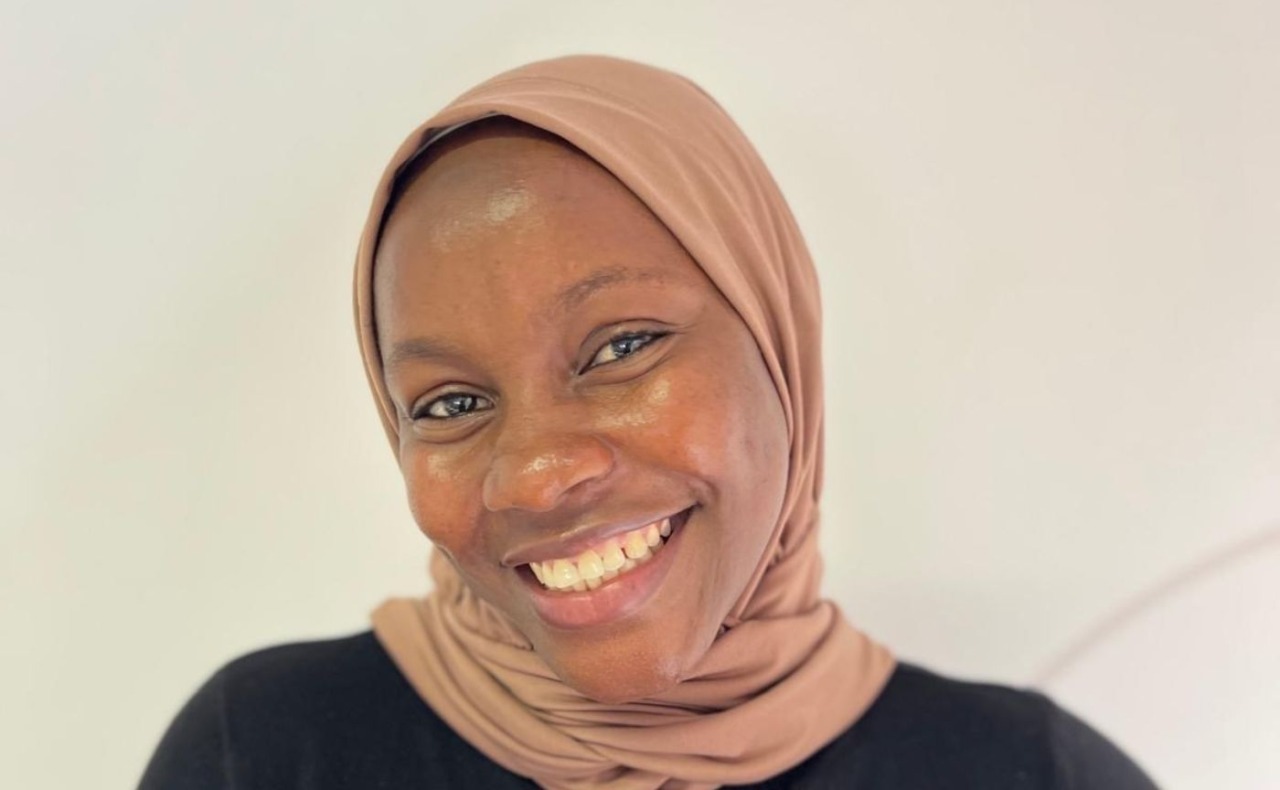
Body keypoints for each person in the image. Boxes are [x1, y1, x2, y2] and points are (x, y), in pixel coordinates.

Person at [139, 55, 1157, 789]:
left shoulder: (1031, 773)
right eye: (449, 404)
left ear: (778, 346)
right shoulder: (263, 753)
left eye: (621, 346)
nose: (535, 474)